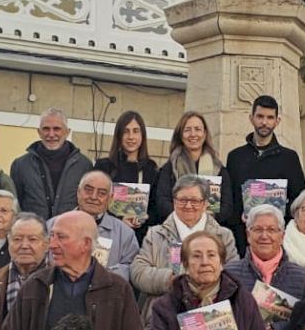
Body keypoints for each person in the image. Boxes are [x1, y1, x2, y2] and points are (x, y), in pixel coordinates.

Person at [0, 210, 146, 330]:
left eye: (61, 237)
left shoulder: (116, 289)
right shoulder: (35, 286)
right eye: (52, 236)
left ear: (86, 244)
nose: (52, 245)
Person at [146, 231, 275, 330]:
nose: (205, 262)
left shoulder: (242, 299)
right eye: (196, 256)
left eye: (211, 255)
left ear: (221, 263)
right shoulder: (166, 304)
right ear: (185, 264)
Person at [224, 94, 305, 251]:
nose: (264, 122)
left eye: (270, 117)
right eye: (260, 116)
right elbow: (230, 199)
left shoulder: (289, 158)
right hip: (241, 239)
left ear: (277, 121)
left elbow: (299, 200)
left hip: (276, 241)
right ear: (251, 118)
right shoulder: (235, 157)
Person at [132, 178, 237, 301]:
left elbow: (233, 274)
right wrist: (171, 280)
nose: (188, 206)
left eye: (194, 201)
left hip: (210, 305)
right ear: (174, 202)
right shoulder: (155, 234)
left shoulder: (223, 235)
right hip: (164, 304)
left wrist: (205, 283)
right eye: (182, 200)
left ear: (205, 203)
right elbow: (138, 272)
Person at [152, 111, 237, 231]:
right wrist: (187, 216)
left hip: (209, 232)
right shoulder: (170, 168)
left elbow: (227, 206)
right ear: (180, 135)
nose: (193, 134)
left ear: (205, 133)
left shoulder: (218, 169)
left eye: (197, 129)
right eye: (187, 130)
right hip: (177, 230)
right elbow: (162, 202)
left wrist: (204, 218)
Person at [52, 170, 138, 283]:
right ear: (78, 192)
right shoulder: (52, 226)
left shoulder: (125, 234)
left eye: (101, 193)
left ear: (110, 198)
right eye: (88, 190)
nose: (93, 197)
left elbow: (130, 269)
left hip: (105, 291)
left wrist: (97, 278)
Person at [10, 110, 93, 222]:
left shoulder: (84, 165)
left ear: (67, 132)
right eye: (46, 129)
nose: (51, 134)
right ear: (39, 132)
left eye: (57, 129)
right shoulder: (21, 165)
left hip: (70, 229)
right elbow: (15, 205)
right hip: (33, 230)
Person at [225, 203, 305, 304]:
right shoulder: (229, 274)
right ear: (248, 235)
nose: (264, 236)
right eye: (258, 229)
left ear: (282, 236)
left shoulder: (302, 277)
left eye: (271, 230)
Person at [96, 110, 159, 242]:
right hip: (107, 236)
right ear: (119, 135)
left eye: (136, 131)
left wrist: (143, 218)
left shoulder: (151, 168)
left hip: (139, 238)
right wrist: (119, 219)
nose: (131, 137)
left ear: (142, 135)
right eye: (126, 131)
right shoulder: (104, 166)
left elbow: (155, 206)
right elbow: (96, 202)